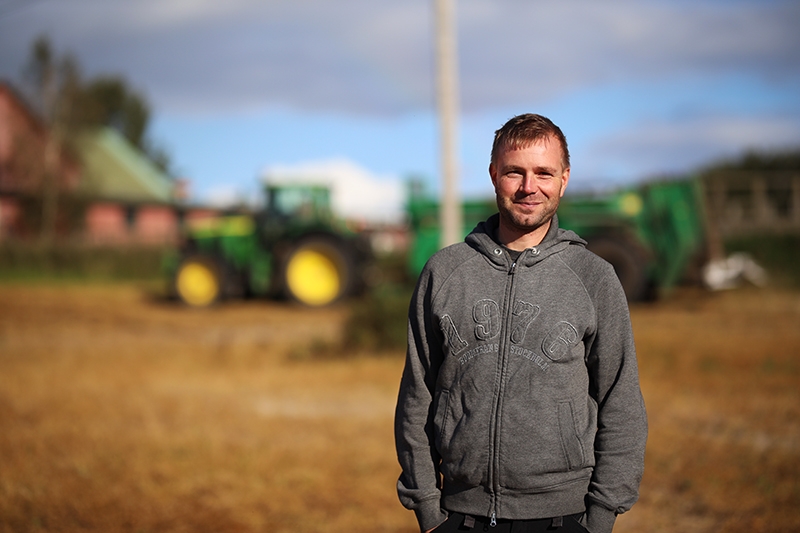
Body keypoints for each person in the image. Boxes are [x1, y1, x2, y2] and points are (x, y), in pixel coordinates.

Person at [394, 114, 647, 533]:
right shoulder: (445, 271)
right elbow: (416, 397)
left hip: (563, 518)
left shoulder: (594, 277)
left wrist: (600, 518)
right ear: (495, 175)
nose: (529, 187)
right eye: (515, 172)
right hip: (460, 516)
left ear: (564, 179)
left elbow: (621, 403)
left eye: (544, 173)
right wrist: (429, 509)